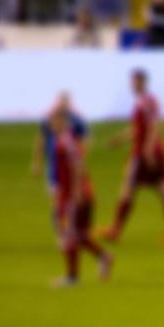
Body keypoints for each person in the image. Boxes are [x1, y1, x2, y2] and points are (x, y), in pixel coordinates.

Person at [100, 68, 164, 246]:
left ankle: (116, 229)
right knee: (161, 189)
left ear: (142, 82)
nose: (132, 85)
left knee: (136, 189)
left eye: (135, 81)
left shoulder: (147, 102)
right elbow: (139, 129)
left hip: (144, 153)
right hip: (149, 151)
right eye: (131, 81)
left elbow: (156, 125)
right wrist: (120, 139)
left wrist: (148, 148)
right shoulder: (142, 102)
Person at [48, 102, 114, 287]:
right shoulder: (67, 139)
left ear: (61, 121)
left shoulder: (66, 140)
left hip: (76, 195)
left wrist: (76, 191)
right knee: (81, 235)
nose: (51, 124)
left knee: (68, 234)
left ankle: (72, 277)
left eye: (53, 120)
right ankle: (104, 257)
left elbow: (78, 164)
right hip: (84, 192)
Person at [29, 91, 89, 236]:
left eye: (65, 101)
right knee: (58, 205)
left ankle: (70, 233)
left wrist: (80, 160)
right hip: (54, 169)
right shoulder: (49, 120)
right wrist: (36, 163)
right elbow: (41, 140)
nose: (63, 104)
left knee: (69, 204)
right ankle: (63, 234)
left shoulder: (76, 121)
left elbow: (84, 141)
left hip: (69, 171)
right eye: (61, 101)